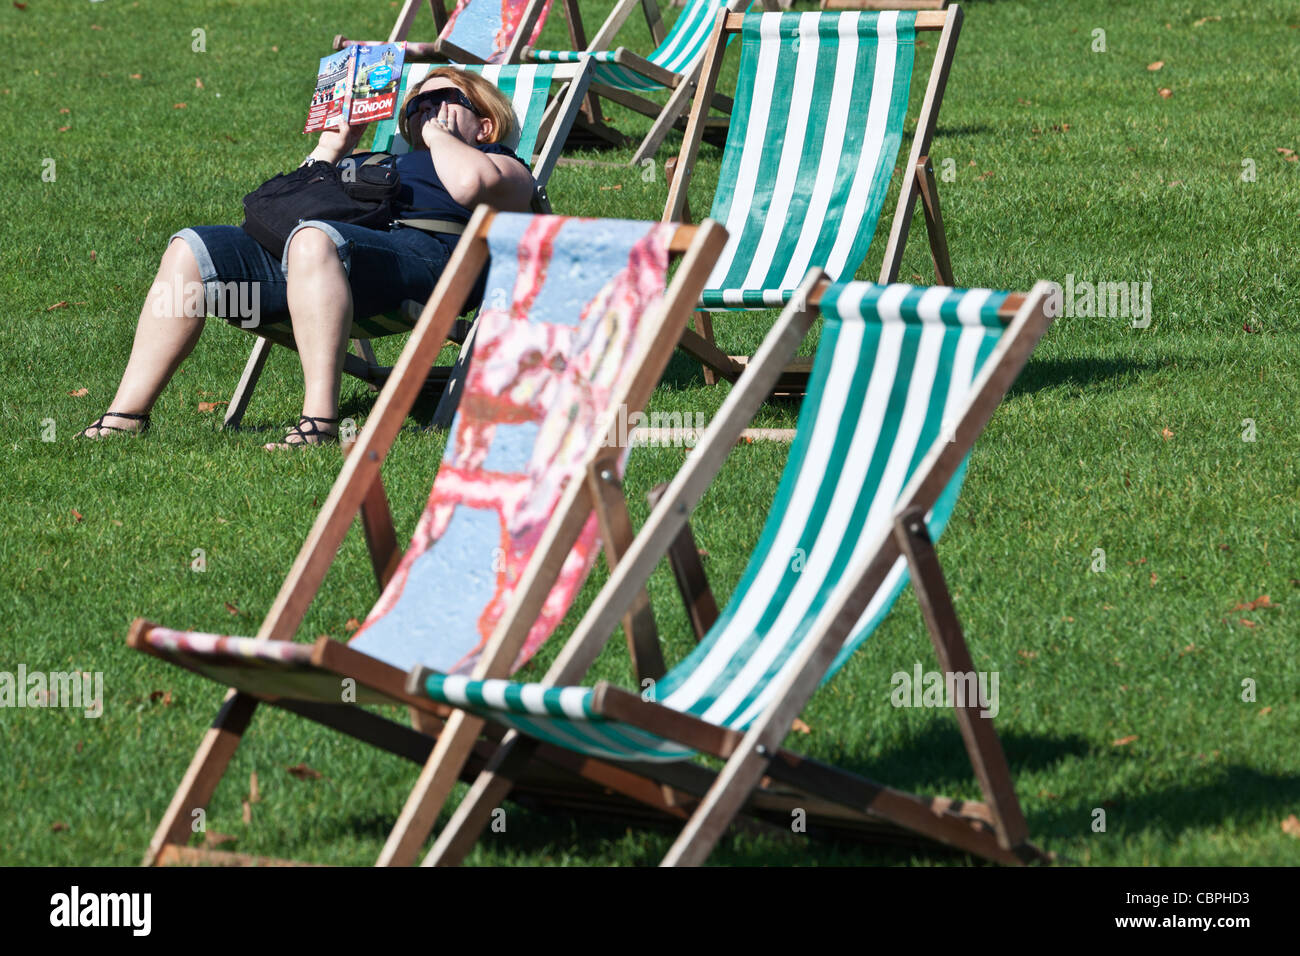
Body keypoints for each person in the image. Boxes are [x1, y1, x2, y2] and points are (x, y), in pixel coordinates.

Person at [80, 67, 536, 447]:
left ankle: (319, 423)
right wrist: (330, 150)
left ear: (485, 124)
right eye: (415, 107)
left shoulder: (502, 163)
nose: (423, 112)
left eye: (441, 101)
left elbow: (469, 186)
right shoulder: (383, 160)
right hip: (329, 263)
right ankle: (126, 416)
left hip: (429, 267)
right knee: (190, 250)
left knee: (314, 239)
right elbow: (287, 210)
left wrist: (441, 140)